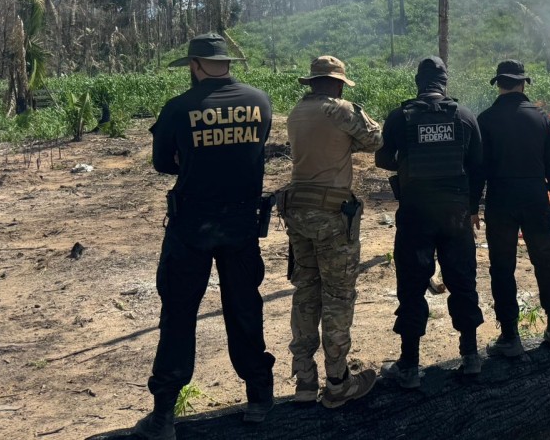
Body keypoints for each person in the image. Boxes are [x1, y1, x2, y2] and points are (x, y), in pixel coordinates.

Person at [135, 33, 275, 440]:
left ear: (195, 66)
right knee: (244, 308)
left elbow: (163, 163)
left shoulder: (179, 108)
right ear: (226, 64)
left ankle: (163, 416)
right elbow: (253, 152)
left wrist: (193, 158)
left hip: (191, 227)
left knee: (179, 315)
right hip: (241, 225)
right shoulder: (260, 102)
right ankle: (259, 398)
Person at [374, 57, 485, 388]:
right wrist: (472, 207)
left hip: (416, 213)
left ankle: (409, 366)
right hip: (455, 215)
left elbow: (382, 157)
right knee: (462, 282)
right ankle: (471, 356)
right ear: (444, 83)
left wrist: (407, 160)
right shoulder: (464, 116)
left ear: (418, 82)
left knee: (411, 287)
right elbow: (477, 165)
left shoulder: (400, 116)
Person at [283, 55, 383, 408]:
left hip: (297, 212)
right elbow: (376, 139)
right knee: (337, 296)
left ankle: (304, 379)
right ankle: (338, 382)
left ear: (311, 83)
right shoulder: (340, 110)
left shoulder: (297, 112)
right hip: (331, 217)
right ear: (339, 84)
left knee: (306, 292)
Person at [478, 59, 550, 355]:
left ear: (498, 84)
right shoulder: (542, 119)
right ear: (523, 83)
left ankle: (510, 335)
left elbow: (478, 167)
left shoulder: (486, 119)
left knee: (502, 266)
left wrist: (472, 206)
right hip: (535, 197)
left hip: (500, 199)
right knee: (546, 261)